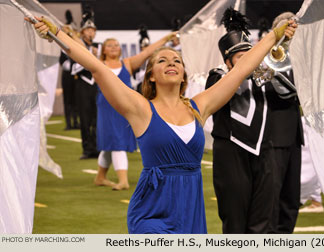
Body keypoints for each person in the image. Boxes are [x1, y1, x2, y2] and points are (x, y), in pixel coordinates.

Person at [28, 14, 296, 234]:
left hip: (190, 210)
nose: (171, 62)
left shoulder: (198, 107)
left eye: (176, 60)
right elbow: (97, 68)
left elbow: (241, 69)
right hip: (152, 211)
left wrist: (275, 35)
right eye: (162, 60)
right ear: (151, 75)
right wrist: (56, 34)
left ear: (183, 75)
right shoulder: (140, 109)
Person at [205, 8, 277, 233]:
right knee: (235, 219)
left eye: (251, 54)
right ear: (228, 61)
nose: (248, 61)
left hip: (264, 151)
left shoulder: (265, 74)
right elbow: (233, 81)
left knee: (262, 219)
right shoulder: (217, 76)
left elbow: (289, 92)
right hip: (230, 151)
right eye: (240, 57)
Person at [94, 33, 177, 190]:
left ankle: (101, 176)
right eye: (110, 45)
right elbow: (80, 50)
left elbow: (147, 53)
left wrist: (167, 38)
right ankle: (122, 180)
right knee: (114, 142)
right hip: (106, 107)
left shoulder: (127, 63)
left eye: (116, 45)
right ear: (103, 49)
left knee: (114, 141)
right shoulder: (98, 64)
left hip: (125, 106)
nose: (113, 47)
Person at [266, 12, 304, 234]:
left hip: (293, 136)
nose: (291, 34)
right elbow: (266, 86)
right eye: (287, 30)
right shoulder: (266, 56)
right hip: (273, 135)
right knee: (272, 198)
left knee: (291, 198)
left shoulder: (302, 57)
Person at [71, 11, 101, 159]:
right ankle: (87, 148)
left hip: (97, 85)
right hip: (82, 85)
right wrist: (89, 57)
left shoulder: (100, 47)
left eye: (93, 30)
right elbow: (73, 68)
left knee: (97, 117)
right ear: (82, 33)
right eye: (88, 30)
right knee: (85, 117)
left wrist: (96, 56)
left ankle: (97, 146)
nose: (91, 32)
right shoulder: (77, 48)